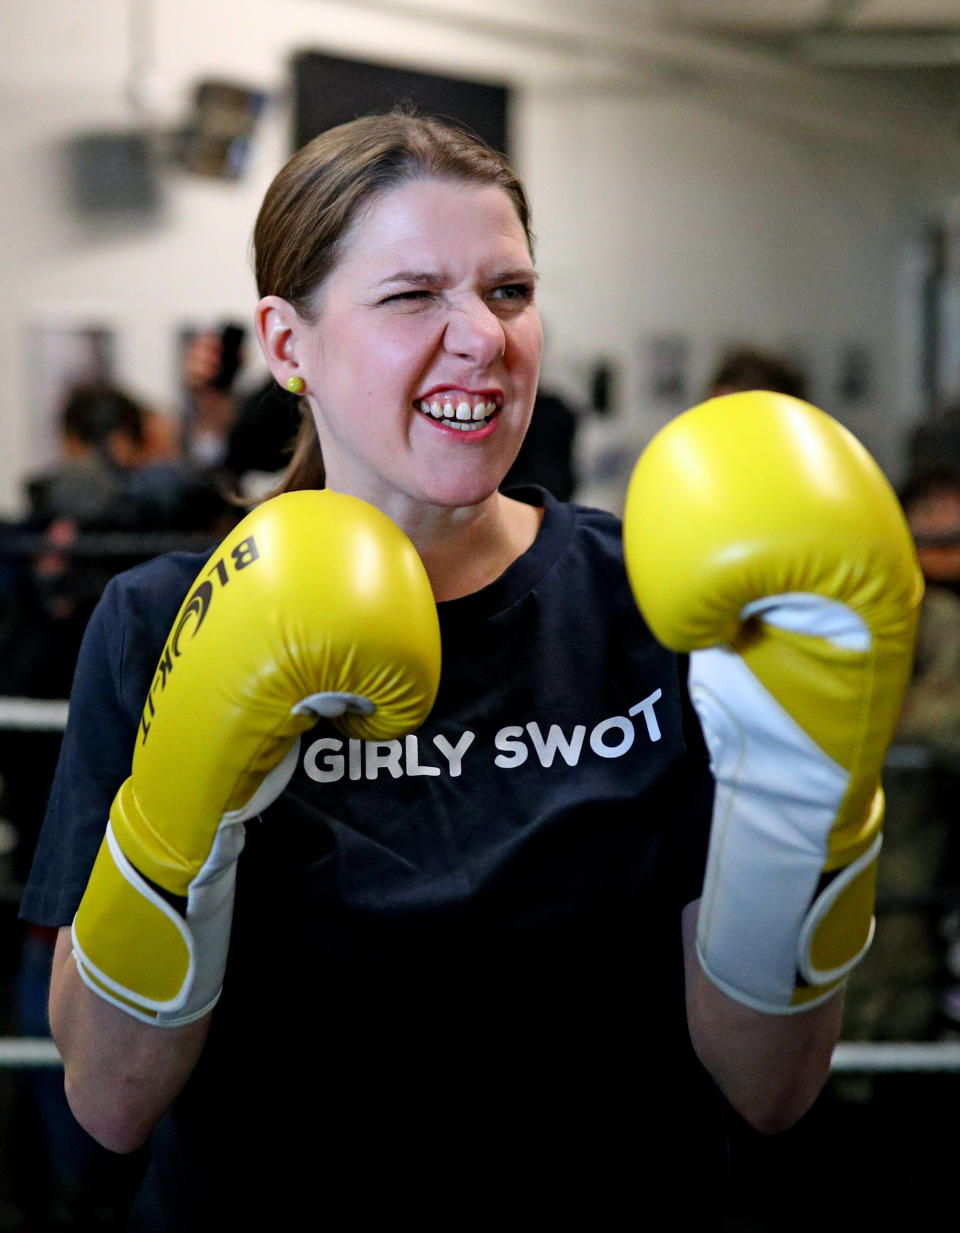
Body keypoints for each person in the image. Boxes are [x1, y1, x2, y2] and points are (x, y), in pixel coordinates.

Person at [20, 112, 919, 1228]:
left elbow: (771, 1089)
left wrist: (807, 798)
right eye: (412, 296)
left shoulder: (652, 604)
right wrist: (178, 826)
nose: (483, 339)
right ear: (288, 343)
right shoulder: (162, 621)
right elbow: (108, 1102)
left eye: (508, 291)